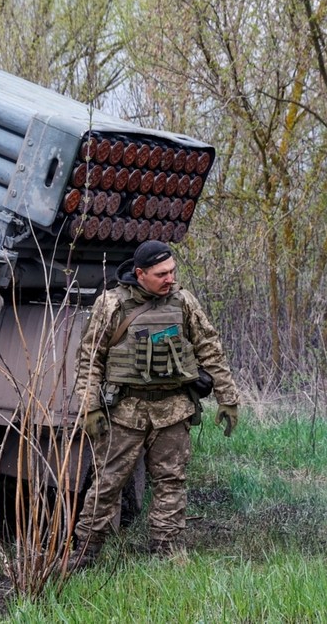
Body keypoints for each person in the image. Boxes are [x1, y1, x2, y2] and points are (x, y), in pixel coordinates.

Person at [68, 240, 240, 570]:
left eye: (173, 271)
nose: (170, 279)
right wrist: (90, 408)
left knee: (171, 482)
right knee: (106, 484)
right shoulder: (111, 305)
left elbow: (210, 351)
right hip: (125, 413)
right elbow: (90, 359)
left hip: (173, 410)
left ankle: (167, 549)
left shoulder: (183, 301)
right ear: (140, 274)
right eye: (162, 274)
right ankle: (86, 553)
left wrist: (228, 399)